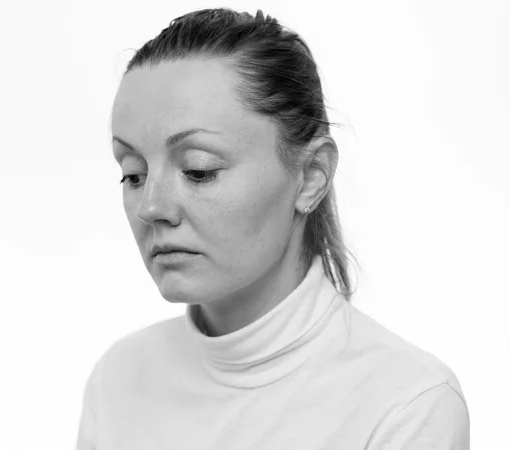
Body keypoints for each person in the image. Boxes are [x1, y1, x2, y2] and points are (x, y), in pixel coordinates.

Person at [76, 7, 470, 449]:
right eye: (133, 173)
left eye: (199, 169)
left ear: (310, 176)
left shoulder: (405, 404)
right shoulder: (119, 380)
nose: (151, 207)